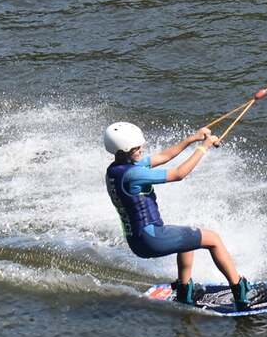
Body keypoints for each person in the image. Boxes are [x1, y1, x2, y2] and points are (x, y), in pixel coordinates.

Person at [102, 121, 258, 309]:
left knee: (188, 237)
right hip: (152, 238)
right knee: (213, 239)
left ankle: (185, 291)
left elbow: (163, 156)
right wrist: (204, 147)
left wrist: (192, 138)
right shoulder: (133, 175)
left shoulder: (116, 169)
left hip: (138, 240)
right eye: (137, 148)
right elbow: (178, 174)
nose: (142, 149)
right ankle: (241, 291)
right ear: (124, 151)